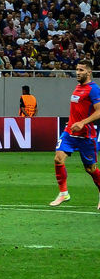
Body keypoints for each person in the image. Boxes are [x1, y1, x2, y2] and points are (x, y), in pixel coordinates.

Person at [49, 63, 100, 208]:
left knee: (90, 169)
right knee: (58, 159)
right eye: (77, 69)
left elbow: (99, 111)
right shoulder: (78, 87)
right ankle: (63, 193)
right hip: (70, 132)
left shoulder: (94, 89)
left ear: (89, 72)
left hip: (86, 135)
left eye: (81, 70)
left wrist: (83, 122)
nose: (77, 72)